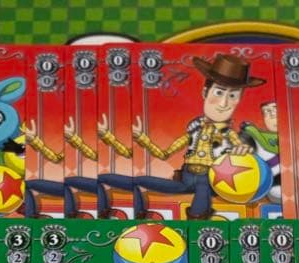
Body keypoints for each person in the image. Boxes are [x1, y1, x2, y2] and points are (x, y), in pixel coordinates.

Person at [97, 53, 261, 219]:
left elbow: (241, 148)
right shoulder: (194, 130)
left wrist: (243, 150)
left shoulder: (229, 134)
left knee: (203, 190)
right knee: (141, 181)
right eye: (219, 92)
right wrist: (141, 138)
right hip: (185, 180)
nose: (223, 103)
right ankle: (108, 185)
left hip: (211, 182)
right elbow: (164, 154)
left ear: (239, 99)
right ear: (205, 92)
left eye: (232, 96)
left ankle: (196, 224)